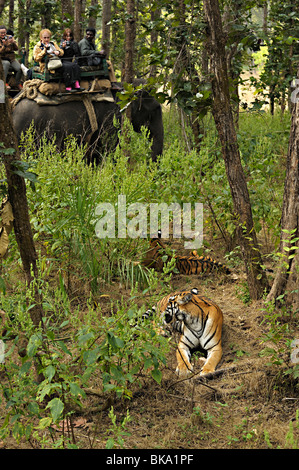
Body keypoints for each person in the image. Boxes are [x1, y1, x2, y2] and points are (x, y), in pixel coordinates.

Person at [0, 25, 22, 90]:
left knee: (19, 68)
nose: (3, 34)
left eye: (4, 32)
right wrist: (4, 45)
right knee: (6, 64)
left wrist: (13, 43)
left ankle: (17, 83)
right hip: (2, 59)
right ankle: (4, 83)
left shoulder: (9, 38)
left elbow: (16, 49)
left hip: (11, 59)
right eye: (1, 33)